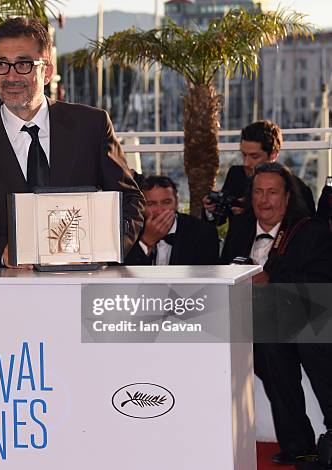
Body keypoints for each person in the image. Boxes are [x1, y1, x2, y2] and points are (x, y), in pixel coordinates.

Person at [0, 17, 144, 267]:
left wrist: (104, 250)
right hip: (5, 288)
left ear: (47, 71)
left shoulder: (92, 126)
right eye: (1, 64)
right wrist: (2, 253)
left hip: (81, 282)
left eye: (23, 64)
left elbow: (130, 201)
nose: (11, 76)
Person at [221, 162, 332, 465]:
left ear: (286, 197)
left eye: (272, 192)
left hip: (303, 317)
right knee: (268, 349)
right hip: (252, 321)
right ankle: (299, 445)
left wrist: (272, 283)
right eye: (258, 192)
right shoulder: (241, 228)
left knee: (305, 345)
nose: (264, 200)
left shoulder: (309, 231)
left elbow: (322, 284)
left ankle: (316, 439)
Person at [204, 120, 315, 225]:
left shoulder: (298, 188)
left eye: (254, 156)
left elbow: (308, 232)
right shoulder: (236, 175)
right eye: (244, 154)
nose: (246, 163)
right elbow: (218, 220)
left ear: (273, 155)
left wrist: (250, 215)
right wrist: (210, 210)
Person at [124, 176, 218, 265]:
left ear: (177, 202)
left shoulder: (203, 232)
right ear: (142, 206)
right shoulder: (130, 230)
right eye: (151, 204)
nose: (160, 210)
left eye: (166, 202)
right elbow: (122, 274)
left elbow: (206, 277)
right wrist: (146, 243)